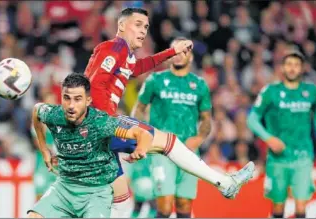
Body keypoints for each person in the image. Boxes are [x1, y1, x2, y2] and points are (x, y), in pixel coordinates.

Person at [84, 7, 255, 217]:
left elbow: (137, 68)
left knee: (117, 200)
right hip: (99, 124)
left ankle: (225, 183)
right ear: (121, 25)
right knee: (169, 143)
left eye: (146, 27)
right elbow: (94, 84)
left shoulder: (124, 54)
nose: (143, 31)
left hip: (96, 128)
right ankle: (225, 183)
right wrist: (107, 120)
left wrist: (171, 52)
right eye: (137, 25)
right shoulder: (114, 47)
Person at [27, 73, 154, 218]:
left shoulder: (101, 122)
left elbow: (144, 134)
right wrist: (44, 150)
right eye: (66, 98)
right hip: (64, 187)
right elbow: (37, 110)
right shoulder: (54, 115)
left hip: (96, 192)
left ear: (88, 100)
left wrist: (141, 149)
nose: (71, 106)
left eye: (78, 99)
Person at [132, 37, 212, 218]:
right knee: (165, 205)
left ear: (190, 57)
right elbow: (139, 108)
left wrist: (199, 138)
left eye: (184, 51)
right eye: (175, 50)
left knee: (184, 205)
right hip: (162, 150)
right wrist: (142, 133)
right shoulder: (155, 80)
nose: (178, 54)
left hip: (189, 152)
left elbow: (207, 119)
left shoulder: (200, 85)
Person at [247, 52, 316, 218]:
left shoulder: (310, 91)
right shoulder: (271, 91)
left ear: (302, 68)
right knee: (278, 207)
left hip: (303, 156)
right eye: (288, 64)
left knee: (301, 207)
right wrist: (268, 138)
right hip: (278, 159)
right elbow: (252, 118)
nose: (292, 68)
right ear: (282, 67)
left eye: (296, 64)